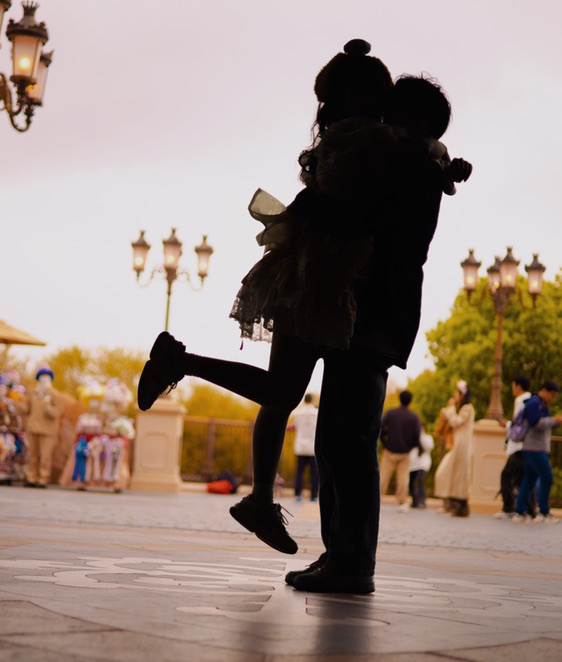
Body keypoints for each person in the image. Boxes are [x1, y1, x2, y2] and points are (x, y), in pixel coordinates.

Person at [139, 40, 455, 593]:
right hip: (360, 304)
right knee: (341, 436)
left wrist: (436, 164)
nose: (391, 121)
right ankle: (346, 559)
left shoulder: (390, 153)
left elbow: (365, 207)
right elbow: (367, 209)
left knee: (325, 425)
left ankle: (342, 555)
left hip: (350, 299)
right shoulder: (395, 154)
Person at [512, 380, 562, 524]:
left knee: (529, 479)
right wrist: (553, 420)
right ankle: (543, 512)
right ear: (544, 391)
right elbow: (535, 423)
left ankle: (520, 511)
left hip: (534, 447)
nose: (553, 399)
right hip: (534, 448)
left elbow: (544, 424)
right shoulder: (534, 403)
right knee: (547, 476)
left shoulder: (542, 404)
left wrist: (555, 423)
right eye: (552, 395)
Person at [433, 381, 475, 517]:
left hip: (462, 446)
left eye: (457, 393)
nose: (455, 395)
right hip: (459, 446)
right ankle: (453, 504)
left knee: (456, 475)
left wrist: (450, 409)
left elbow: (456, 422)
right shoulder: (464, 409)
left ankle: (457, 505)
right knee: (450, 473)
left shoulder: (468, 408)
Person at [493, 376, 533, 519]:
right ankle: (529, 510)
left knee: (506, 476)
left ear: (518, 386)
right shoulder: (531, 400)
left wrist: (507, 424)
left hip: (518, 447)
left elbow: (519, 425)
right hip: (528, 447)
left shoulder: (521, 400)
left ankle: (508, 508)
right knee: (523, 479)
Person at [379, 390, 422, 513]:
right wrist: (411, 446)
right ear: (410, 401)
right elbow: (417, 436)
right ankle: (402, 502)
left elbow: (381, 428)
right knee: (403, 479)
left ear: (399, 399)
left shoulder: (391, 413)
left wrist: (384, 443)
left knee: (383, 477)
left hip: (389, 450)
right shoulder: (413, 417)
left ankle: (376, 499)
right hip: (405, 452)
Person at [21, 366, 62, 488]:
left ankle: (42, 479)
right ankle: (31, 477)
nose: (44, 378)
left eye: (47, 376)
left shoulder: (54, 394)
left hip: (47, 430)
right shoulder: (33, 393)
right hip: (33, 428)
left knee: (45, 456)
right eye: (42, 376)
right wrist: (18, 402)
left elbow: (58, 410)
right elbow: (27, 409)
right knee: (32, 455)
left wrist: (50, 410)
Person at [290, 393, 319, 502]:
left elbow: (295, 426)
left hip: (300, 446)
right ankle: (313, 495)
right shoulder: (316, 413)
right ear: (312, 400)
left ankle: (298, 494)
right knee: (314, 472)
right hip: (313, 446)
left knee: (299, 472)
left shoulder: (298, 413)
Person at [409, 425, 434, 509]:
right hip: (412, 465)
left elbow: (429, 447)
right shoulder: (412, 438)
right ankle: (415, 501)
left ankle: (422, 501)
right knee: (411, 483)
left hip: (423, 464)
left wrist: (421, 435)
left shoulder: (427, 438)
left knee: (420, 479)